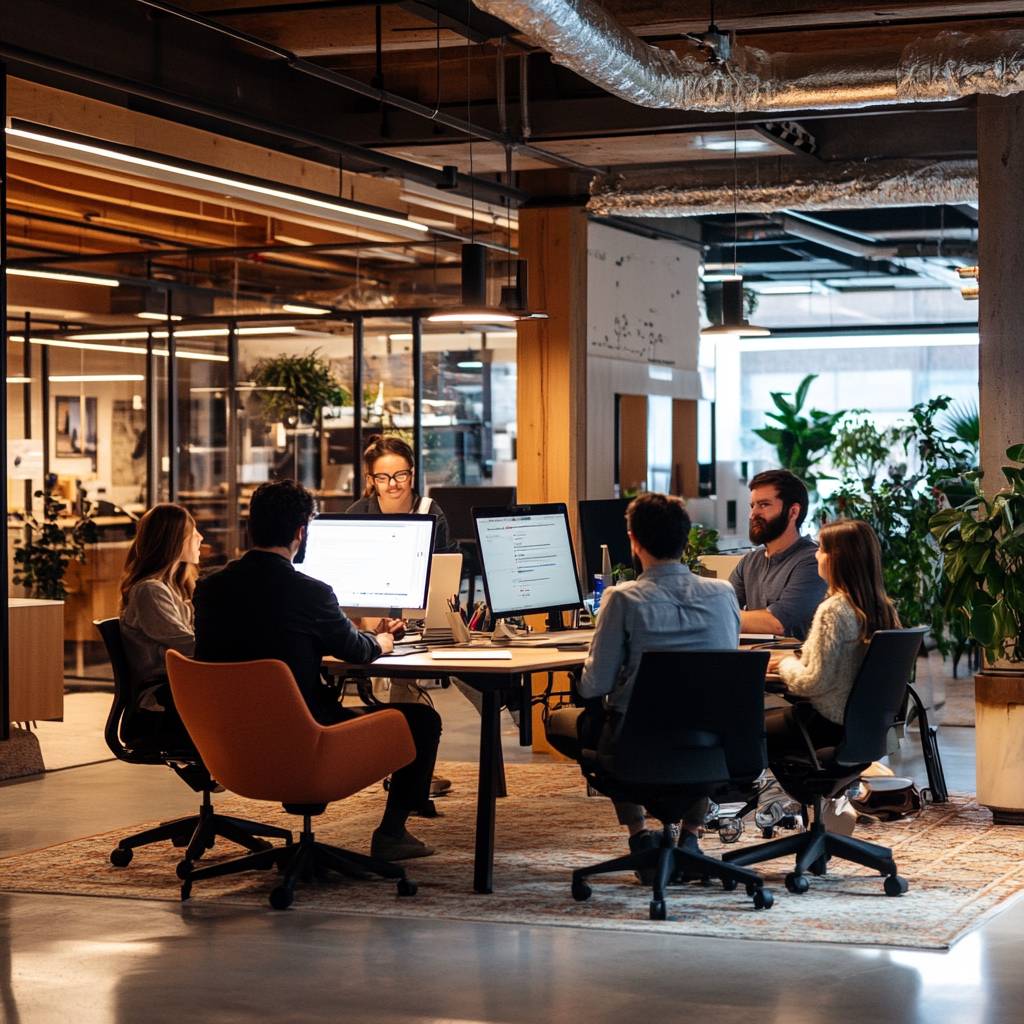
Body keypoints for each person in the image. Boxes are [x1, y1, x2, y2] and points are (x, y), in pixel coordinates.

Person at [193, 479, 442, 861]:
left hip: (229, 746)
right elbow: (356, 650)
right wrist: (382, 641)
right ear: (301, 533)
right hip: (305, 737)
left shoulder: (210, 588)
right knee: (422, 721)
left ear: (251, 527)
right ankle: (392, 834)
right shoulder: (311, 592)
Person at [545, 492, 740, 864]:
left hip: (636, 748)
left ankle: (639, 835)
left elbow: (595, 685)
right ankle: (690, 838)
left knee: (562, 722)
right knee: (698, 712)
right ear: (686, 539)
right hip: (712, 748)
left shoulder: (622, 599)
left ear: (632, 540)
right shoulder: (723, 593)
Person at [765, 518, 901, 757]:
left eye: (820, 549)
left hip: (825, 726)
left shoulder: (834, 610)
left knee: (744, 728)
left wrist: (786, 664)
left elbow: (812, 683)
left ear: (835, 558)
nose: (816, 556)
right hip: (864, 729)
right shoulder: (882, 609)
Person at [119, 503, 203, 750]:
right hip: (160, 708)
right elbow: (189, 646)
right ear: (174, 541)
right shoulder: (150, 591)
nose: (200, 537)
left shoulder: (176, 588)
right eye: (193, 531)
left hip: (178, 696)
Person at [729, 469, 827, 641]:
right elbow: (721, 608)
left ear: (793, 512)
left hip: (794, 664)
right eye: (752, 506)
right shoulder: (749, 562)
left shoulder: (813, 560)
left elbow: (779, 623)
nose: (753, 515)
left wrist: (726, 616)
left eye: (764, 505)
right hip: (755, 660)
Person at [346, 434, 457, 553]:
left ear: (412, 473)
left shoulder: (430, 513)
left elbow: (443, 565)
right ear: (370, 480)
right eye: (382, 478)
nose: (392, 483)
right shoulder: (356, 515)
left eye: (400, 475)